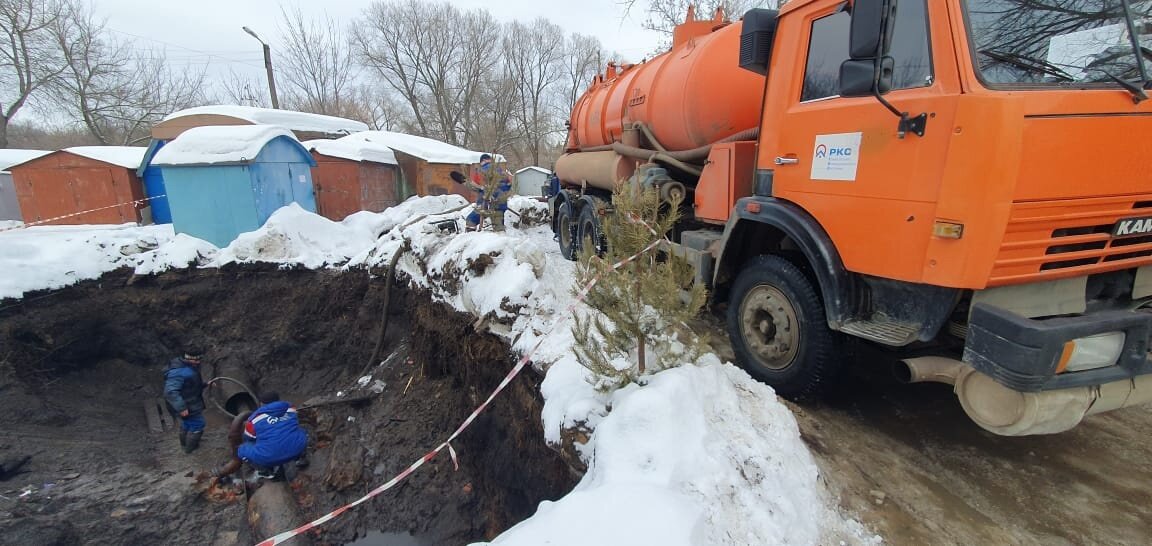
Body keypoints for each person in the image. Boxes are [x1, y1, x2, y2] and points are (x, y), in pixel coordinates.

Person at [223, 391, 308, 479]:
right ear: (278, 400)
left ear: (262, 403)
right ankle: (300, 458)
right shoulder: (291, 408)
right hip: (297, 448)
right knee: (300, 430)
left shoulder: (254, 419)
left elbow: (249, 438)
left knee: (241, 449)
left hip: (269, 457)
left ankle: (265, 471)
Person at [164, 346, 207, 454]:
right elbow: (170, 392)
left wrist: (205, 384)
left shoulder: (187, 366)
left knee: (187, 423)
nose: (198, 362)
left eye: (199, 360)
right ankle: (191, 449)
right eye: (196, 360)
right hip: (187, 404)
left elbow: (190, 385)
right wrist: (182, 407)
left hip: (188, 402)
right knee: (198, 424)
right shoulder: (179, 372)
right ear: (188, 358)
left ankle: (184, 445)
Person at [464, 153, 513, 231]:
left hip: (485, 204)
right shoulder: (501, 171)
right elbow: (508, 184)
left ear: (483, 161)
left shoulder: (481, 171)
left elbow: (476, 185)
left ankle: (470, 238)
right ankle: (501, 239)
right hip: (500, 203)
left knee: (470, 220)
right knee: (499, 227)